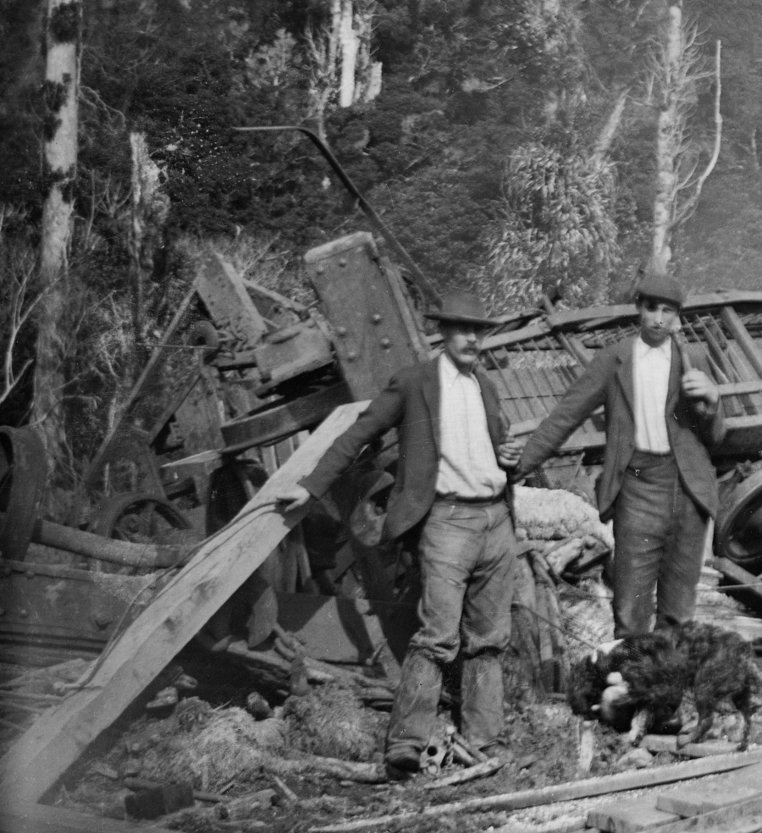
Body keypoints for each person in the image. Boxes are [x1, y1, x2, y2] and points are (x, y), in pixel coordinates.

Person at [279, 290, 520, 777]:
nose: (473, 339)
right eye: (462, 329)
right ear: (443, 333)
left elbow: (495, 451)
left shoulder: (486, 388)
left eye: (480, 331)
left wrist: (508, 461)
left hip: (495, 519)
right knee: (437, 636)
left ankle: (483, 738)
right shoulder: (415, 383)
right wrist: (312, 487)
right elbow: (357, 434)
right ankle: (406, 743)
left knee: (489, 639)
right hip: (447, 522)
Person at [513, 270, 722, 636]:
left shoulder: (694, 359)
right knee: (630, 610)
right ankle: (629, 688)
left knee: (678, 616)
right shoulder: (614, 359)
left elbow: (717, 436)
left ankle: (665, 691)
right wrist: (514, 470)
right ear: (638, 309)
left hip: (687, 492)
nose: (659, 319)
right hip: (638, 488)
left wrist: (713, 400)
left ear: (678, 317)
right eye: (652, 308)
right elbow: (565, 417)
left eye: (669, 312)